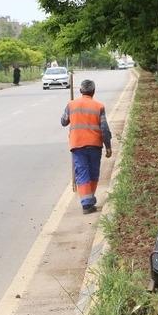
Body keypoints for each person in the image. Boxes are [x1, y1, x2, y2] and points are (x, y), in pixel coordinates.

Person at [60, 79, 112, 214]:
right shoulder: (99, 106)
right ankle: (88, 202)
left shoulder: (71, 105)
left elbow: (63, 122)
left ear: (80, 91)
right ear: (93, 91)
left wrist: (71, 110)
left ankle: (87, 203)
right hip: (95, 145)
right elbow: (104, 129)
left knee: (82, 172)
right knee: (93, 173)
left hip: (77, 145)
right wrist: (108, 146)